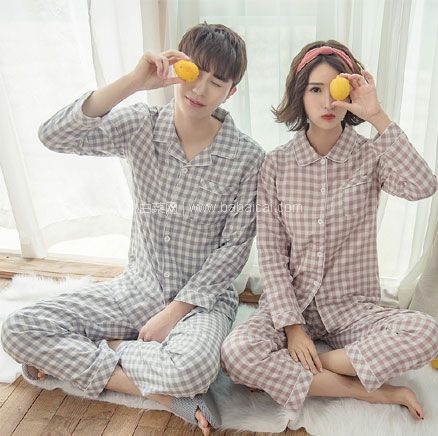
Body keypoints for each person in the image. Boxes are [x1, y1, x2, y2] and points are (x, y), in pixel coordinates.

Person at [1, 23, 264, 435]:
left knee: (194, 368)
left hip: (201, 303)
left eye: (217, 83)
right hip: (135, 289)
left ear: (230, 93)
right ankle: (162, 396)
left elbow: (233, 249)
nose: (200, 90)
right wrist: (133, 83)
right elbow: (53, 135)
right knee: (18, 329)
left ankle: (105, 349)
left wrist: (173, 313)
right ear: (177, 68)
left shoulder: (247, 157)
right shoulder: (142, 124)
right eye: (195, 73)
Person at [221, 40, 438, 421]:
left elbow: (423, 186)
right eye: (315, 90)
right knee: (236, 353)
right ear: (300, 95)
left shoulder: (371, 156)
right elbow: (271, 252)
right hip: (291, 305)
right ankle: (367, 391)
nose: (327, 102)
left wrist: (377, 115)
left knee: (427, 332)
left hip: (350, 308)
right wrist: (293, 330)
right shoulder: (276, 165)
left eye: (336, 89)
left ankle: (311, 368)